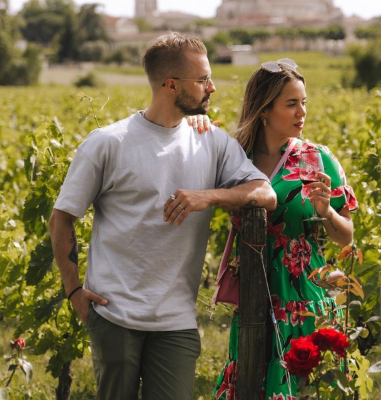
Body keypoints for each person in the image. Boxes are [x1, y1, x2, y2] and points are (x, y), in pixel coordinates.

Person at [48, 32, 277, 400]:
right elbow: (62, 217)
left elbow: (265, 193)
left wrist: (208, 196)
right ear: (171, 85)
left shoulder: (212, 142)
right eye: (202, 80)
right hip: (114, 314)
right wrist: (73, 290)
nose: (212, 88)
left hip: (176, 320)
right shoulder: (108, 142)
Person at [213, 59, 358, 399]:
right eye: (291, 104)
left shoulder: (319, 160)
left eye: (303, 102)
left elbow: (346, 234)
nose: (301, 112)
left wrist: (325, 212)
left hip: (306, 301)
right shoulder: (235, 159)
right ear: (264, 109)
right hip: (253, 299)